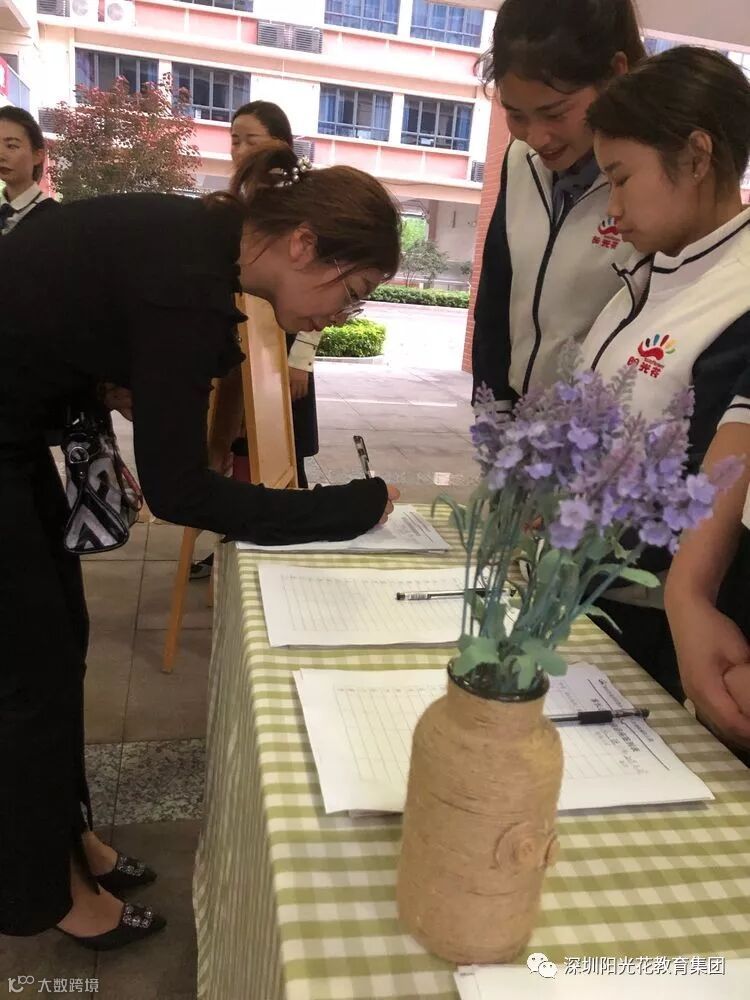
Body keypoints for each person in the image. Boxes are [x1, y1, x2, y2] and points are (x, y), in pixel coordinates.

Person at [0, 142, 401, 948]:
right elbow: (181, 491)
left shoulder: (204, 244)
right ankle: (47, 894)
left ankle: (68, 840)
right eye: (351, 292)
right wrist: (351, 508)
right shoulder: (188, 280)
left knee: (61, 641)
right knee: (29, 675)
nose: (340, 317)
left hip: (17, 435)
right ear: (303, 244)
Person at [577, 46, 750, 708]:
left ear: (697, 156)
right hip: (593, 590)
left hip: (658, 622)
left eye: (621, 178)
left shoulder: (738, 295)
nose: (612, 207)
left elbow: (712, 476)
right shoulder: (651, 272)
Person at [471, 0, 645, 411]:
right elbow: (497, 293)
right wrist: (493, 409)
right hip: (520, 411)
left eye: (555, 113)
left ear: (615, 74)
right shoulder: (520, 159)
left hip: (601, 426)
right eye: (516, 115)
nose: (537, 138)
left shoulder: (650, 180)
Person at [190, 100, 323, 580]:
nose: (240, 149)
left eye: (251, 139)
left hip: (283, 348)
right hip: (236, 347)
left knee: (283, 451)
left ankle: (288, 538)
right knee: (234, 449)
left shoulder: (303, 207)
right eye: (234, 139)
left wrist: (301, 359)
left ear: (280, 146)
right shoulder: (233, 208)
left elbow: (324, 291)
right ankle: (231, 539)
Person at [0, 106, 57, 234]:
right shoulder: (3, 213)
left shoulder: (54, 218)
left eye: (11, 146)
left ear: (37, 155)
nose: (1, 155)